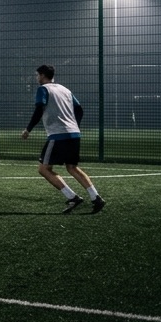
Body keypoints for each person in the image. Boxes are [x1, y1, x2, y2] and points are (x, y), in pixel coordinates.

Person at [21, 64, 105, 213]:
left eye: (37, 75)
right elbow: (79, 109)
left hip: (58, 135)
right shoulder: (65, 90)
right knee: (72, 167)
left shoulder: (43, 89)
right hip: (74, 134)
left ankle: (72, 197)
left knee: (44, 169)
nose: (36, 78)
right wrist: (74, 126)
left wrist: (28, 129)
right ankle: (96, 198)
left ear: (42, 75)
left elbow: (39, 109)